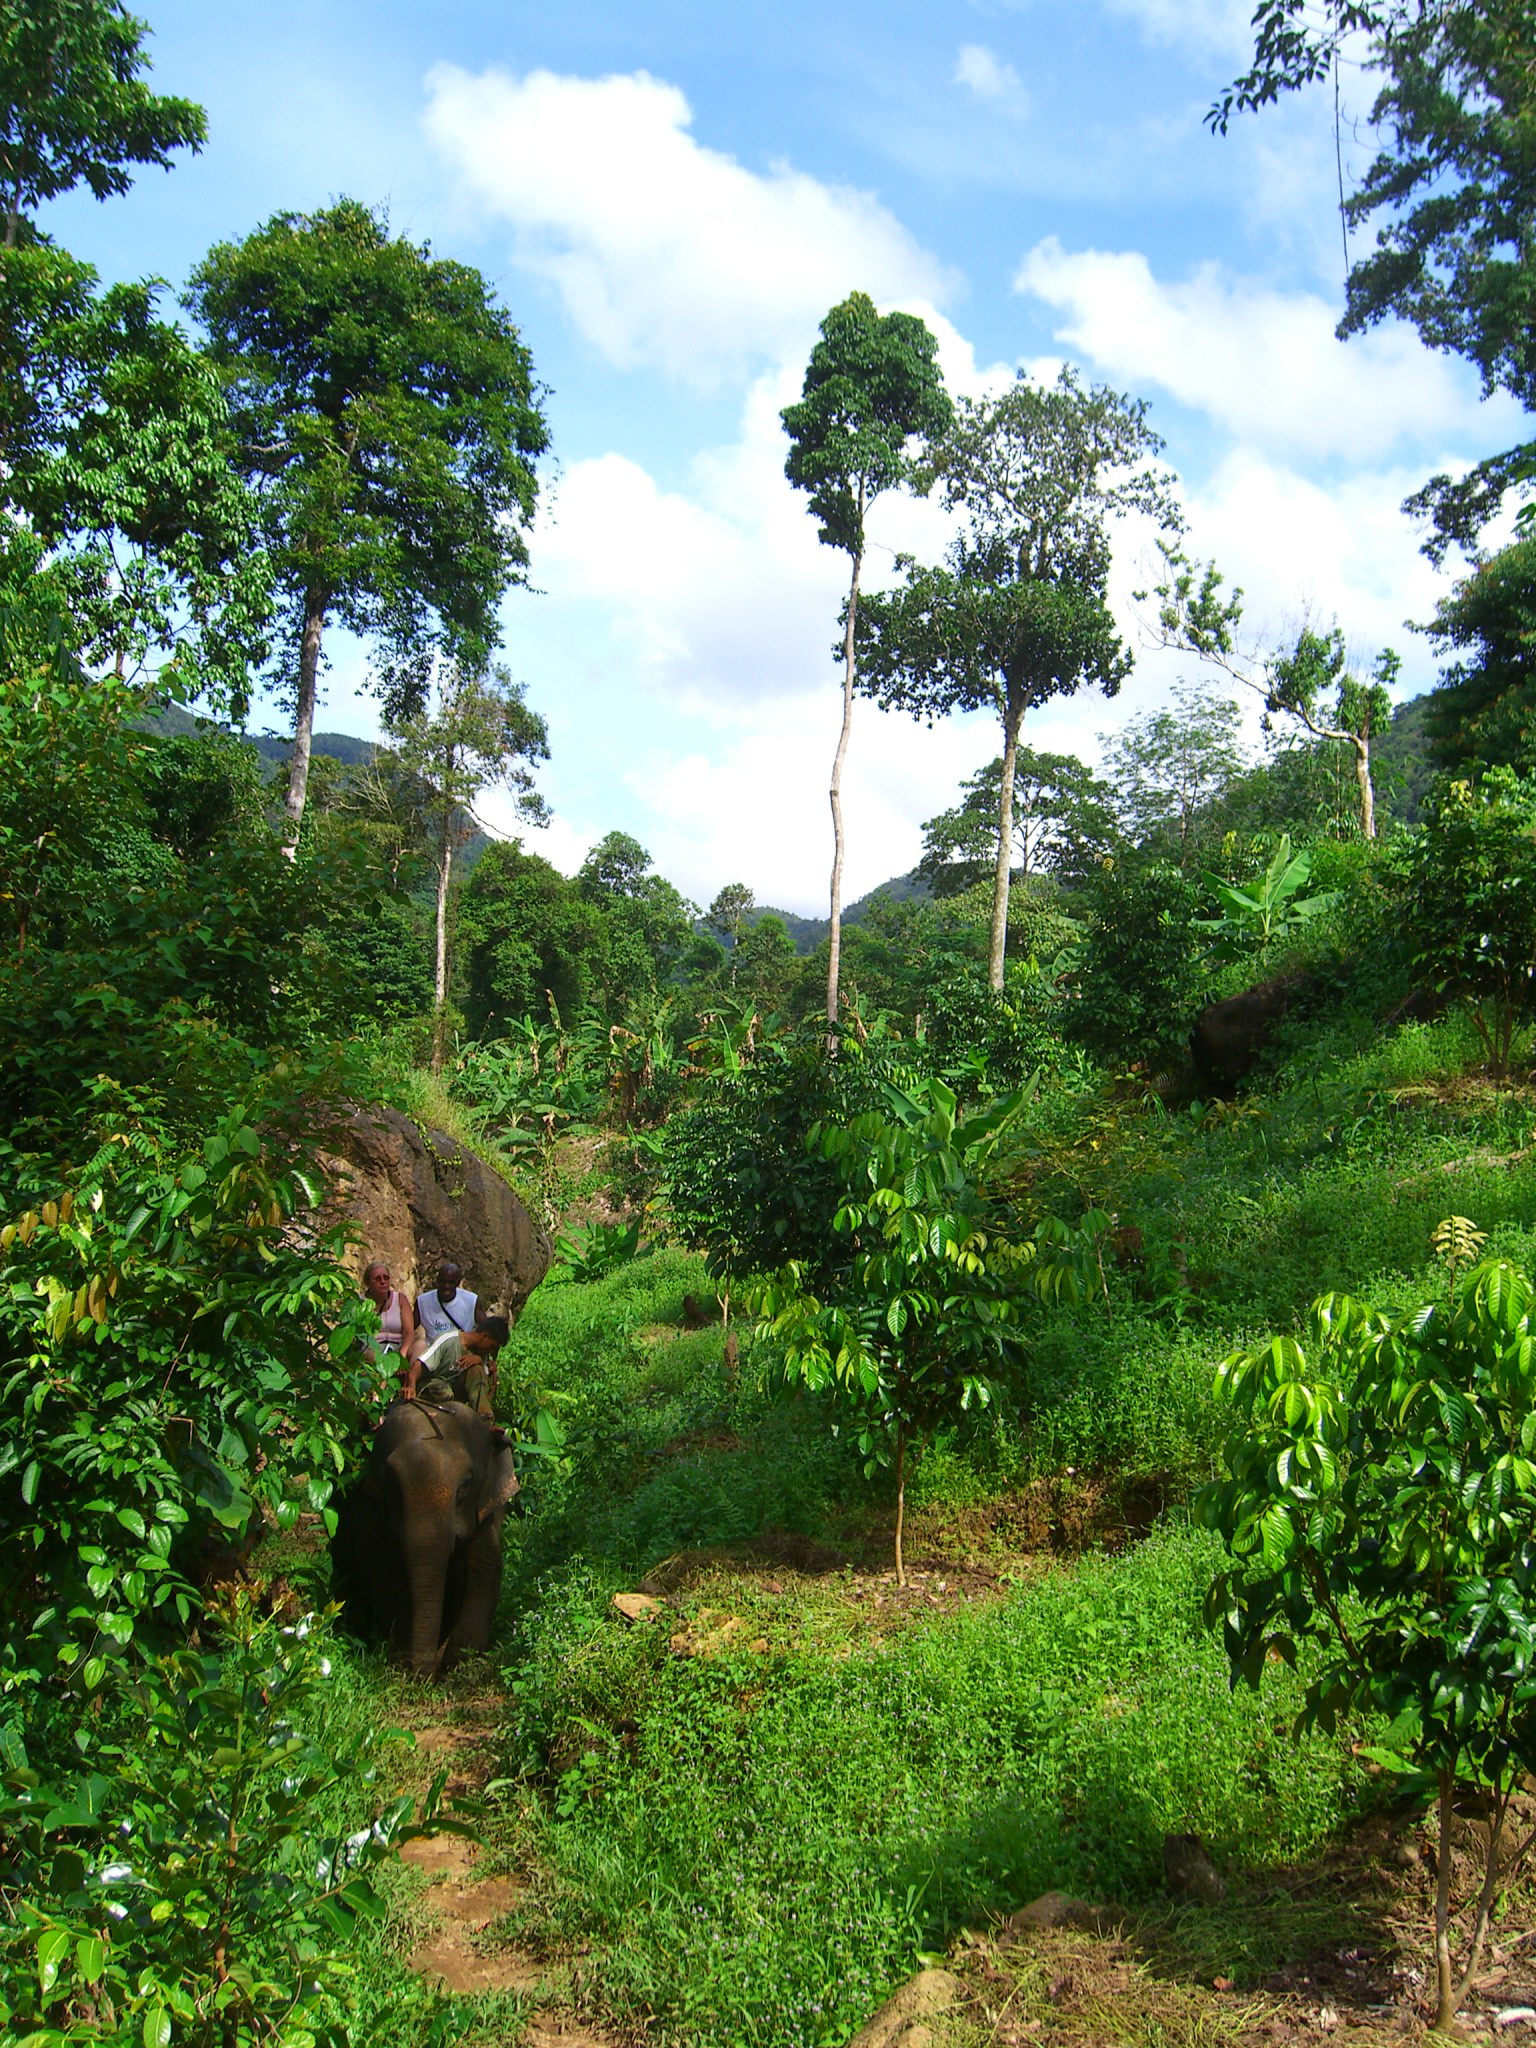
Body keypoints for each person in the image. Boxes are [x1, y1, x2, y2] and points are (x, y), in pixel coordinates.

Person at [403, 1311, 509, 1421]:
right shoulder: (449, 1340)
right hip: (435, 1385)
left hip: (455, 1391)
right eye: (491, 1346)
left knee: (476, 1370)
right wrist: (411, 1386)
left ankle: (486, 1420)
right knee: (444, 1392)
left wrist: (480, 1363)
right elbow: (420, 1363)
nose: (490, 1351)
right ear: (484, 1336)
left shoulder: (481, 1354)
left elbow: (482, 1387)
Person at [361, 1260, 422, 1372]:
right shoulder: (361, 1302)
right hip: (373, 1348)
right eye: (378, 1279)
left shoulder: (400, 1299)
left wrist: (401, 1355)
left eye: (386, 1278)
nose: (383, 1282)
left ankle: (410, 1384)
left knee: (420, 1346)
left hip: (399, 1346)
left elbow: (409, 1332)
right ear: (369, 1283)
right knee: (373, 1356)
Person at [416, 1261, 479, 1343]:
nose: (446, 1286)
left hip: (462, 1350)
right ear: (437, 1281)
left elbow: (488, 1329)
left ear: (458, 1283)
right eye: (443, 1281)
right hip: (434, 1351)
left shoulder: (471, 1300)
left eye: (451, 1282)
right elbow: (408, 1329)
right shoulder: (423, 1302)